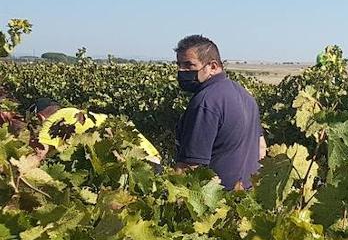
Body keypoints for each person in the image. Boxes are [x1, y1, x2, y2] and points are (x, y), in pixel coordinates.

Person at [173, 35, 265, 190]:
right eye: (179, 65)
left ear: (213, 66)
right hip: (246, 197)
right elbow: (261, 148)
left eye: (189, 65)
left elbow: (190, 166)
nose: (182, 71)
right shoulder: (246, 96)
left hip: (215, 203)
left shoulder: (205, 102)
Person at [28, 97, 163, 166]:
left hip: (135, 164)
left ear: (40, 117)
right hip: (152, 160)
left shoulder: (55, 119)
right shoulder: (78, 115)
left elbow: (40, 154)